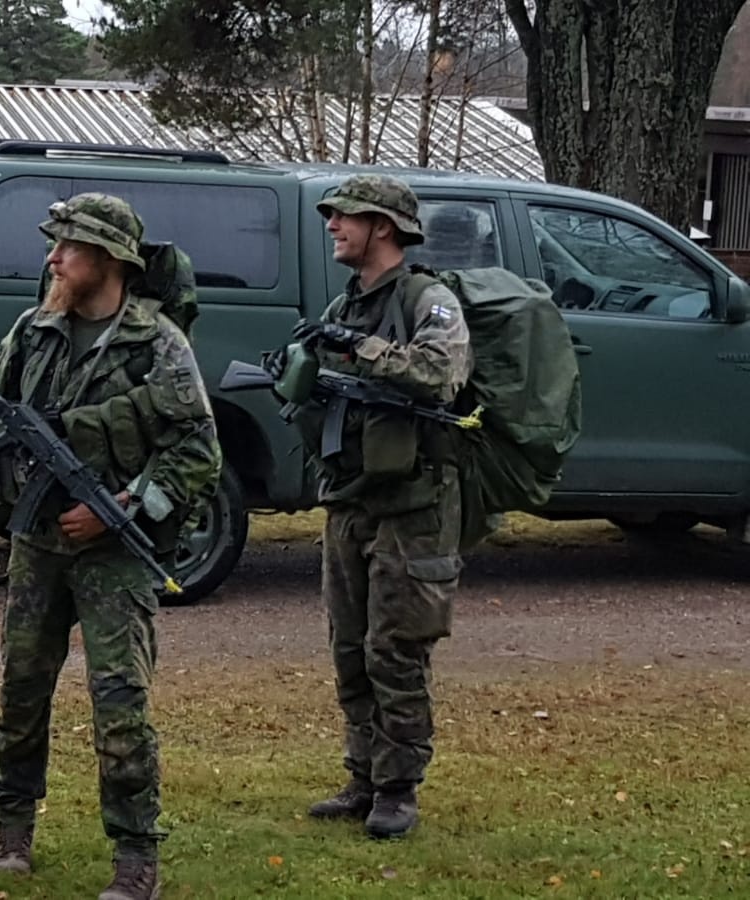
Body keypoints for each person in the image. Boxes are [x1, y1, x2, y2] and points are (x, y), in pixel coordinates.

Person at [0, 194, 221, 900]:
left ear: (105, 258)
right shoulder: (33, 329)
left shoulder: (157, 343)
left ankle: (136, 856)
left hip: (114, 556)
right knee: (20, 691)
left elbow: (198, 451)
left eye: (66, 248)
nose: (52, 259)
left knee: (120, 702)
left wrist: (125, 509)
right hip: (37, 547)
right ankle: (12, 829)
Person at [290, 174, 472, 839]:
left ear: (384, 228)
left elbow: (440, 374)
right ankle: (363, 777)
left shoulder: (429, 300)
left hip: (414, 506)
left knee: (396, 650)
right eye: (332, 217)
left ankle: (399, 788)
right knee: (350, 648)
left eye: (345, 217)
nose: (333, 226)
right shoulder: (351, 302)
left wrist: (355, 349)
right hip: (351, 500)